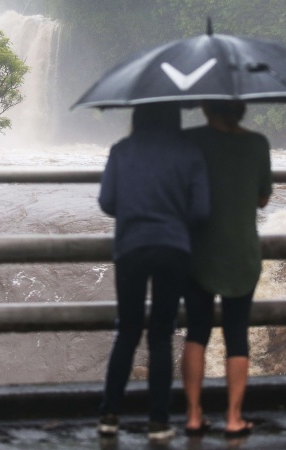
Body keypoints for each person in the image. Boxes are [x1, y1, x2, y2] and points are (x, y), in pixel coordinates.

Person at [97, 102, 210, 441]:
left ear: (137, 115)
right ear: (175, 117)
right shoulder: (189, 152)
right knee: (161, 334)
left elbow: (106, 202)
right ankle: (159, 421)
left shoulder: (121, 150)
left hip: (131, 246)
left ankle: (109, 415)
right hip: (173, 248)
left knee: (128, 331)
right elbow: (201, 211)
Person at [180, 100, 272, 439]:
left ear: (206, 107)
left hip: (198, 251)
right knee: (237, 334)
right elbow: (262, 198)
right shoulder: (257, 143)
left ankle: (193, 414)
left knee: (196, 332)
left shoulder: (189, 140)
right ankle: (234, 417)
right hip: (241, 253)